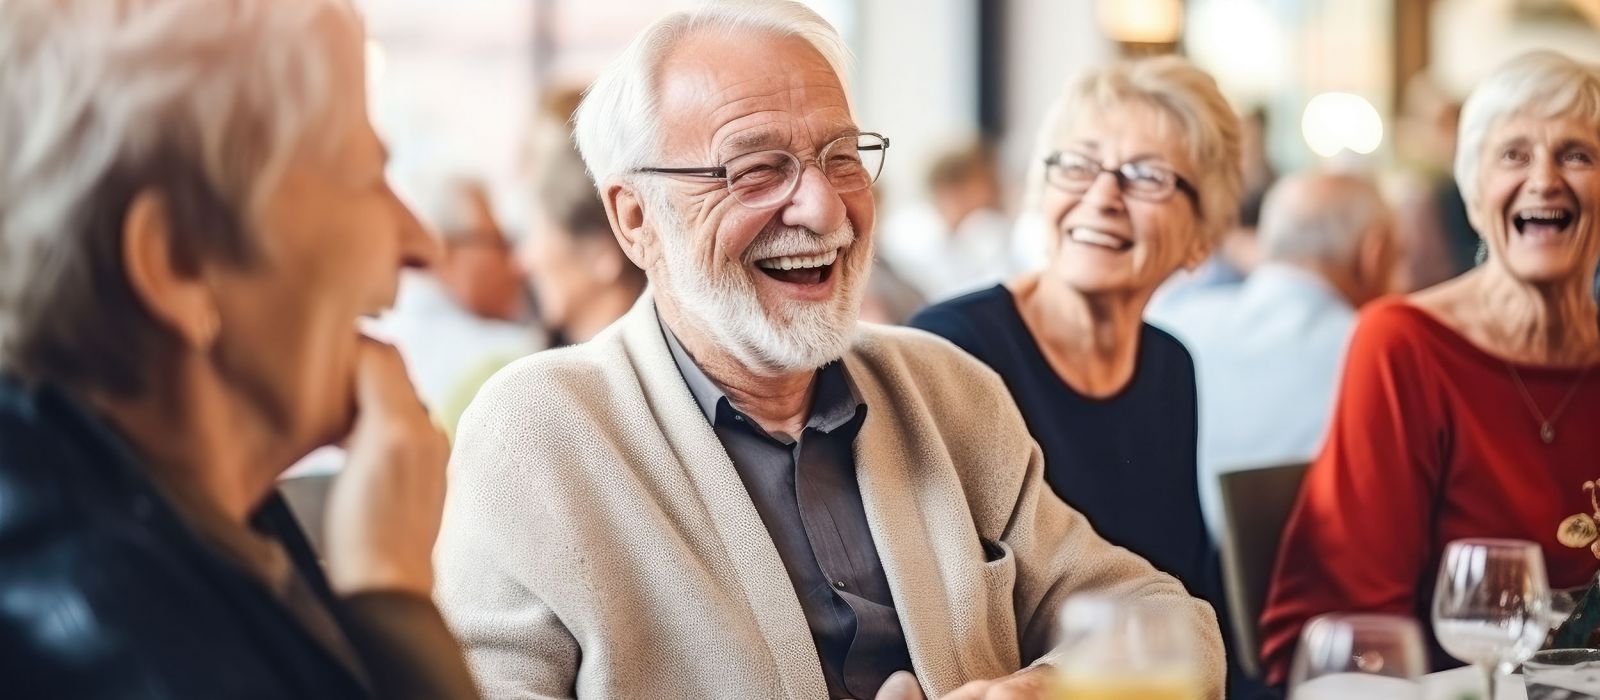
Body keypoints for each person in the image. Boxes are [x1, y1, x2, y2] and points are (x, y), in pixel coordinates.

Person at [433, 3, 1225, 699]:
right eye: (754, 170)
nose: (822, 206)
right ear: (635, 218)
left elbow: (1169, 620)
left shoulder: (949, 391)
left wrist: (1045, 688)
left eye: (841, 156)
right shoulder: (536, 432)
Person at [0, 0, 478, 698]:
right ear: (181, 263)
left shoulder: (189, 525)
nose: (421, 242)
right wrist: (391, 598)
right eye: (367, 175)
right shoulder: (105, 641)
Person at [909, 56, 1269, 698]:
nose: (1102, 196)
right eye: (1077, 165)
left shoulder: (1169, 365)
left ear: (1200, 237)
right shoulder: (951, 352)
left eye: (1146, 177)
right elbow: (944, 624)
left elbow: (1187, 595)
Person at [1259, 50, 1600, 684]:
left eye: (1577, 154)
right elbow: (1345, 628)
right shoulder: (1404, 346)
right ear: (1474, 196)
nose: (1545, 179)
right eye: (1514, 155)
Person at [1148, 172, 1398, 537]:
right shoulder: (1379, 358)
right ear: (1372, 256)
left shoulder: (1170, 321)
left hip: (1145, 580)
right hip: (1302, 580)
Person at [383, 176, 543, 412]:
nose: (515, 261)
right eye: (497, 242)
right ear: (441, 249)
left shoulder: (397, 330)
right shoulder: (503, 358)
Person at [879, 139, 1015, 302]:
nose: (994, 189)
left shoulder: (985, 232)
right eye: (983, 181)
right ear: (952, 188)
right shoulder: (909, 235)